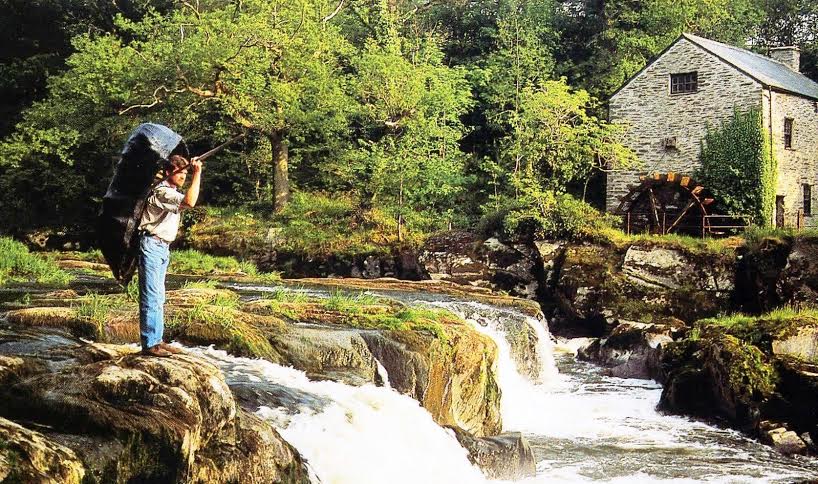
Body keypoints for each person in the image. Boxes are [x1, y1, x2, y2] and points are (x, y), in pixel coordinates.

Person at [137, 154, 202, 357]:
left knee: (159, 296)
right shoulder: (162, 192)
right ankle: (150, 344)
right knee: (151, 296)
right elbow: (190, 202)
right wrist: (197, 173)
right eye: (179, 172)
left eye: (185, 173)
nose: (183, 176)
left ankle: (157, 340)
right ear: (167, 172)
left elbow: (185, 201)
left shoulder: (170, 191)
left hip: (162, 247)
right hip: (151, 244)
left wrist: (192, 171)